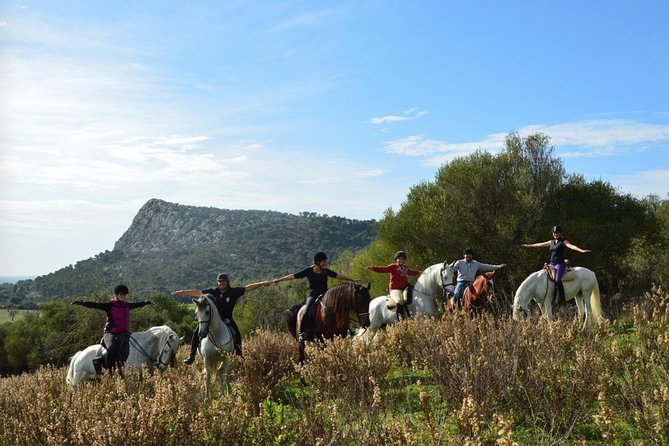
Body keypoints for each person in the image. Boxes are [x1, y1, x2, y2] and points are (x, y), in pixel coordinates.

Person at [174, 273, 270, 363]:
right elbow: (198, 292)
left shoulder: (233, 292)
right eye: (219, 281)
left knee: (237, 333)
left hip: (228, 319)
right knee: (196, 332)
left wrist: (261, 284)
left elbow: (248, 287)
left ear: (227, 282)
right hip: (213, 320)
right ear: (217, 283)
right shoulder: (213, 292)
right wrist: (183, 292)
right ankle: (192, 356)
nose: (221, 283)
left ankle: (239, 355)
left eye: (223, 281)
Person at [271, 251, 359, 343]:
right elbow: (293, 276)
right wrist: (279, 280)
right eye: (323, 262)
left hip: (325, 294)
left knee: (339, 308)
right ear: (317, 262)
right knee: (307, 311)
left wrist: (352, 279)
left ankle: (348, 329)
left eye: (325, 261)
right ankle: (302, 333)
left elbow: (338, 276)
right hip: (313, 294)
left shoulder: (326, 271)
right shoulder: (308, 271)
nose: (325, 263)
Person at [71, 284, 151, 376]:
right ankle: (108, 370)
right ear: (116, 295)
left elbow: (137, 305)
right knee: (112, 347)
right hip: (110, 333)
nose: (123, 296)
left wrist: (145, 303)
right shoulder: (110, 305)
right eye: (121, 294)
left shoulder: (126, 305)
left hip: (124, 333)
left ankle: (122, 368)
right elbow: (96, 305)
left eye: (124, 295)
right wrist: (82, 303)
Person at [521, 225, 591, 304]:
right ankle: (548, 295)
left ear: (560, 233)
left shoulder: (563, 241)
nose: (555, 234)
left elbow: (572, 246)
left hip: (560, 264)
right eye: (554, 232)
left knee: (557, 280)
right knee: (544, 277)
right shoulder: (551, 242)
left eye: (557, 232)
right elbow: (539, 245)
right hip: (551, 264)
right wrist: (528, 246)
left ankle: (561, 298)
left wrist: (581, 250)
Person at [365, 250, 422, 318]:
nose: (401, 260)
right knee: (399, 301)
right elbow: (383, 269)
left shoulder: (405, 268)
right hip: (395, 289)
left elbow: (412, 272)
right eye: (399, 258)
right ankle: (400, 320)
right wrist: (374, 268)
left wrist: (419, 272)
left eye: (402, 259)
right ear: (396, 260)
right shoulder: (393, 267)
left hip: (405, 288)